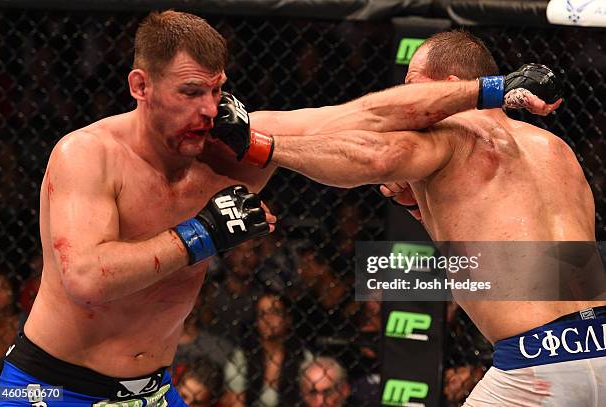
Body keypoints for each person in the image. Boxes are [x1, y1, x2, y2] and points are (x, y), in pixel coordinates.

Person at [212, 30, 605, 405]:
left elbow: (374, 157)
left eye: (412, 83)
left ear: (450, 85)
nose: (403, 97)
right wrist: (419, 208)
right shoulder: (556, 149)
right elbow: (526, 260)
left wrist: (260, 146)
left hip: (533, 366)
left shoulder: (453, 135)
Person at [0, 11, 276, 406]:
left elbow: (345, 129)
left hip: (152, 391)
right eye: (193, 92)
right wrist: (204, 233)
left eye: (217, 92)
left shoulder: (220, 145)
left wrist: (267, 145)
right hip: (54, 389)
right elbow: (86, 279)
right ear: (141, 86)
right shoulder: (87, 153)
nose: (212, 109)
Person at [223, 291, 309, 407]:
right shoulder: (241, 357)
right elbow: (236, 403)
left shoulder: (303, 357)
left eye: (274, 312)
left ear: (287, 319)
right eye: (262, 313)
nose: (268, 319)